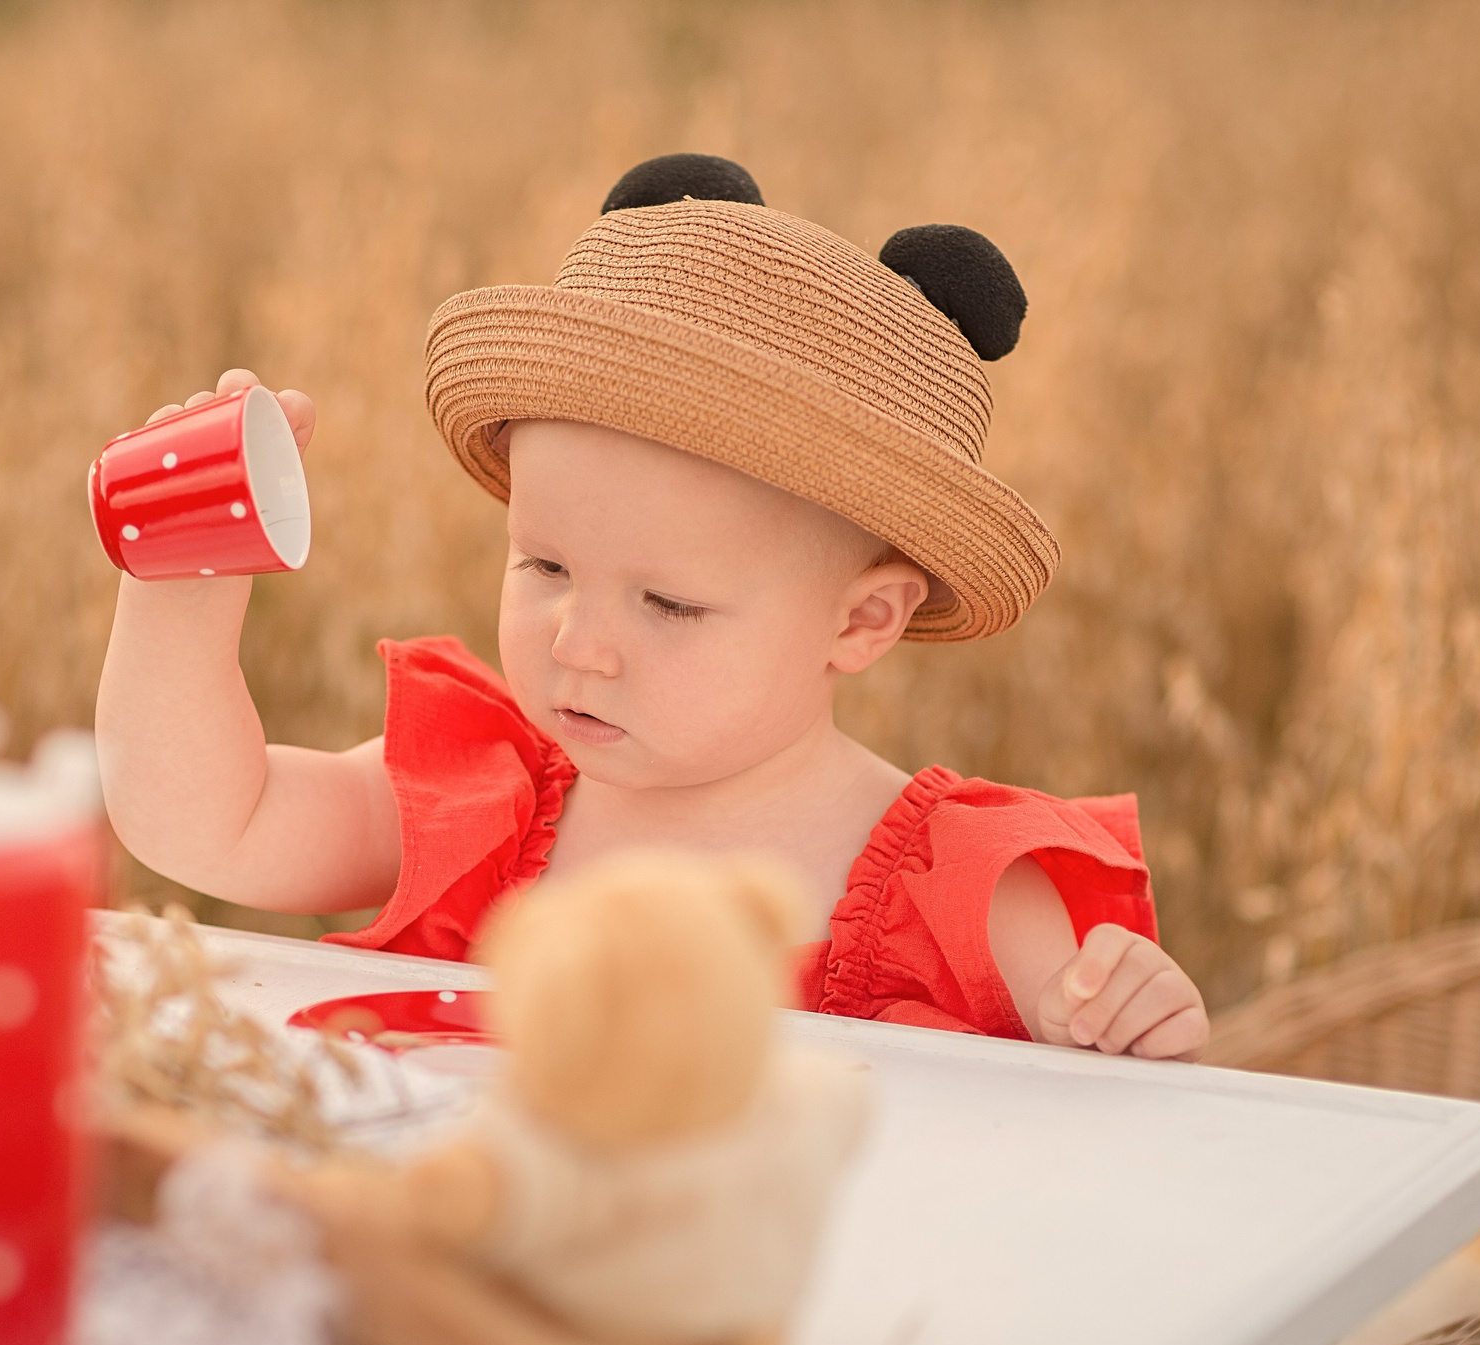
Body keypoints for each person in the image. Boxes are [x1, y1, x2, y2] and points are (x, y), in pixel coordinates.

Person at [96, 153, 1207, 1060]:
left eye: (668, 604)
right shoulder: (484, 797)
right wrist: (182, 580)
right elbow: (208, 822)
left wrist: (1128, 1030)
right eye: (543, 566)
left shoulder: (958, 900)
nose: (579, 646)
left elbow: (1092, 1161)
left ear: (861, 622)